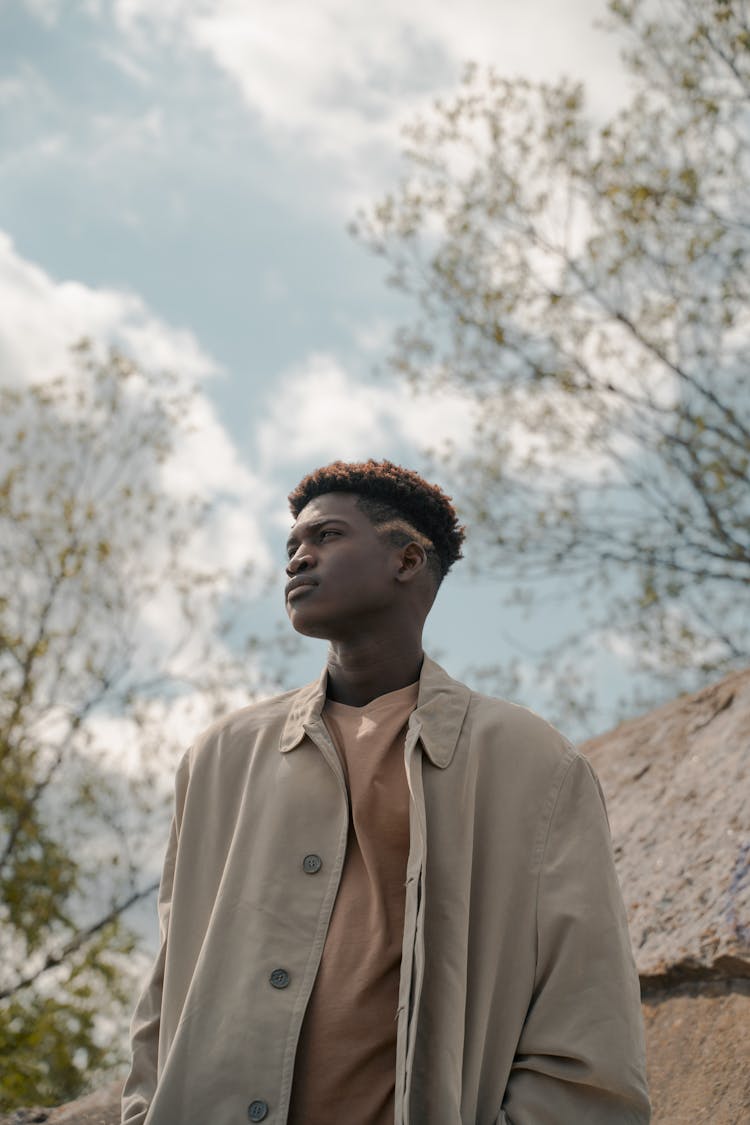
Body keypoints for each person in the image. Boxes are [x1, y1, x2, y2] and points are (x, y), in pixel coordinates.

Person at [122, 458, 650, 1125]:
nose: (296, 561)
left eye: (326, 537)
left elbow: (587, 1011)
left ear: (406, 559)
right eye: (291, 546)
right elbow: (164, 995)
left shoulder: (530, 762)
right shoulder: (221, 757)